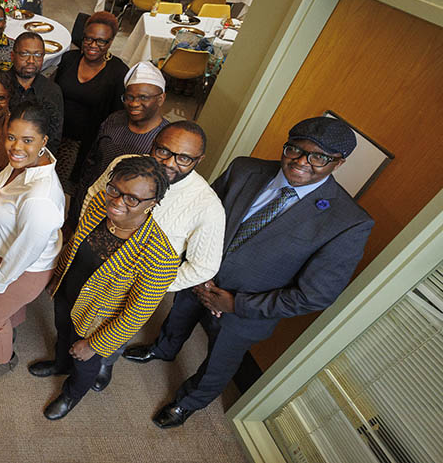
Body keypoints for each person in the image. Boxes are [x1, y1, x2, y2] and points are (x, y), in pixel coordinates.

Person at [124, 117, 374, 429]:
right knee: (178, 317)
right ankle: (163, 349)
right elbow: (198, 216)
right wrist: (197, 270)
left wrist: (235, 303)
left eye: (318, 157)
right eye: (295, 149)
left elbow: (316, 295)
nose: (301, 162)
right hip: (198, 279)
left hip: (246, 311)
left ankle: (188, 402)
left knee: (219, 362)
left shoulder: (348, 222)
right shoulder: (244, 169)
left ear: (338, 163)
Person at [77, 121, 225, 391]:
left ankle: (105, 363)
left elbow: (204, 267)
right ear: (153, 143)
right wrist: (83, 240)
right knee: (75, 312)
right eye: (163, 151)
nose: (169, 163)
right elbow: (93, 196)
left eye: (184, 158)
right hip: (92, 260)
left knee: (116, 327)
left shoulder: (208, 207)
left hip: (132, 287)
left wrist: (154, 283)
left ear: (199, 160)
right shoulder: (125, 163)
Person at [33, 156, 178, 421]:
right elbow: (75, 244)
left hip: (98, 321)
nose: (117, 202)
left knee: (85, 364)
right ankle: (60, 364)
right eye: (115, 190)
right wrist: (57, 278)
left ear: (153, 203)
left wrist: (94, 345)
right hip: (68, 293)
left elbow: (135, 315)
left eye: (132, 199)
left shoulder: (160, 256)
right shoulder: (101, 203)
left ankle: (71, 394)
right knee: (63, 333)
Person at [0, 101, 64, 381]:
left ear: (43, 141)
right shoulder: (23, 163)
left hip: (25, 267)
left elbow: (26, 253)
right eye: (11, 137)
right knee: (3, 310)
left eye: (27, 140)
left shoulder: (40, 197)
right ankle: (4, 333)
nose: (16, 147)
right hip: (3, 252)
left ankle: (2, 359)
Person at [67, 61, 170, 227]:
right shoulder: (114, 119)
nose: (134, 103)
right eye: (129, 97)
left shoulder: (166, 139)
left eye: (143, 97)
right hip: (93, 200)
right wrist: (74, 213)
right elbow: (91, 164)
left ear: (160, 99)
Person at [52, 11, 128, 190]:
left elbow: (118, 116)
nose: (93, 45)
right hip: (56, 134)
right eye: (88, 39)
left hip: (88, 144)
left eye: (101, 41)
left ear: (110, 42)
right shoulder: (69, 59)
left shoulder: (118, 72)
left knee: (68, 187)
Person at [9, 32, 64, 153]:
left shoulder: (52, 91)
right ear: (12, 56)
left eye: (38, 55)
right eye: (24, 54)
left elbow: (54, 137)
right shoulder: (0, 84)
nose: (31, 60)